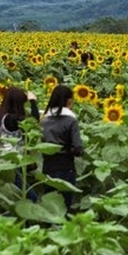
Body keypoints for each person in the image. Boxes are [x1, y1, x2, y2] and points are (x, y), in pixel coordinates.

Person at [0, 87, 40, 202]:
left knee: (14, 198)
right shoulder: (11, 119)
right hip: (10, 164)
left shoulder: (1, 115)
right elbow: (34, 120)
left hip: (4, 161)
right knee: (32, 198)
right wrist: (32, 101)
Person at [40, 84, 83, 212]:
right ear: (69, 100)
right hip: (65, 166)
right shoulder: (70, 120)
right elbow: (78, 148)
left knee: (50, 207)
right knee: (65, 206)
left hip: (48, 167)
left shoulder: (44, 119)